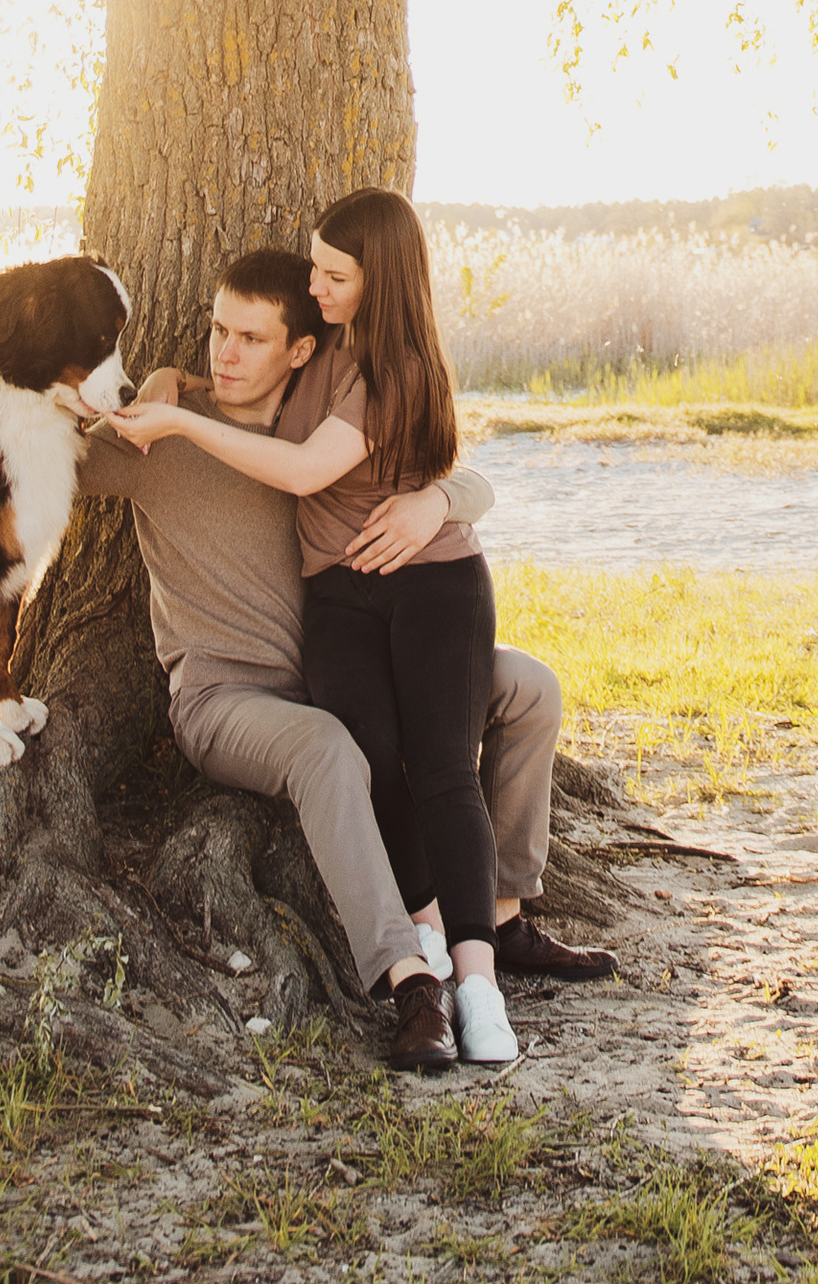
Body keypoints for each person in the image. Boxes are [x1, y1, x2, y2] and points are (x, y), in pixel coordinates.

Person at [108, 192, 518, 1074]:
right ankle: (411, 978)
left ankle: (505, 912)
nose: (224, 353)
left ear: (300, 351)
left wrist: (444, 498)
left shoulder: (328, 400)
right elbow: (26, 443)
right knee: (335, 747)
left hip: (352, 656)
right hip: (231, 699)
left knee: (526, 689)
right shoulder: (159, 437)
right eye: (216, 332)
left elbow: (435, 447)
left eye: (250, 338)